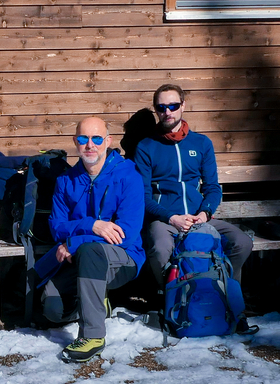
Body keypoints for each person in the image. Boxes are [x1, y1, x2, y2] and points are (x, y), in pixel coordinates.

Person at [134, 83, 256, 333]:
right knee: (159, 248)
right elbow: (143, 197)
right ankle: (171, 297)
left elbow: (213, 187)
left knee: (242, 242)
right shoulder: (146, 147)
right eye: (161, 107)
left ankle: (223, 292)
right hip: (166, 220)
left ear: (183, 106)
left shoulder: (201, 143)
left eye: (173, 106)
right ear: (156, 110)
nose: (168, 111)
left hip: (200, 218)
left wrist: (205, 213)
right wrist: (172, 217)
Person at [35, 116, 145, 362]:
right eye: (84, 139)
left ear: (108, 141)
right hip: (79, 260)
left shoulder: (129, 175)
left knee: (90, 252)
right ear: (75, 141)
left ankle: (93, 336)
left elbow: (125, 234)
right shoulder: (66, 180)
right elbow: (56, 227)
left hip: (123, 259)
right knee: (52, 309)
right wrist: (91, 225)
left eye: (96, 138)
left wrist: (75, 242)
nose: (90, 145)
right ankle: (97, 300)